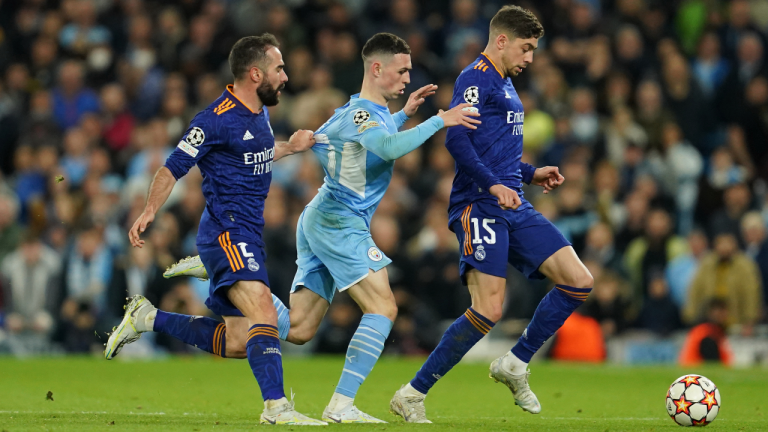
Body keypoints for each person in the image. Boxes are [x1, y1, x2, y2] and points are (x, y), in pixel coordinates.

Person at [162, 32, 479, 423]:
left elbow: (353, 139)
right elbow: (387, 148)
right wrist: (439, 120)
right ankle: (341, 404)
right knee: (383, 307)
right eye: (402, 70)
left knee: (298, 328)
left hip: (322, 217)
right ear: (376, 69)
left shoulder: (361, 111)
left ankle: (216, 271)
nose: (407, 79)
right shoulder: (363, 114)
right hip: (339, 221)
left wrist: (405, 114)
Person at [103, 34, 325, 425]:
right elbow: (173, 166)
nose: (286, 76)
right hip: (227, 232)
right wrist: (150, 209)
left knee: (240, 340)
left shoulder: (259, 111)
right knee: (264, 314)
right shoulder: (214, 119)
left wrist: (289, 147)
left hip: (247, 233)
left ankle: (147, 318)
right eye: (279, 68)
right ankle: (276, 408)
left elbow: (254, 152)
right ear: (255, 74)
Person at [389, 6, 593, 423]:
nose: (530, 58)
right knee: (488, 309)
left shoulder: (505, 83)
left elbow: (495, 153)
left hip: (513, 201)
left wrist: (530, 173)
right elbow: (457, 142)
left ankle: (515, 363)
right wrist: (493, 185)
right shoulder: (475, 77)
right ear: (501, 40)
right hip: (478, 204)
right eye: (526, 48)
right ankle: (411, 394)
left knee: (579, 281)